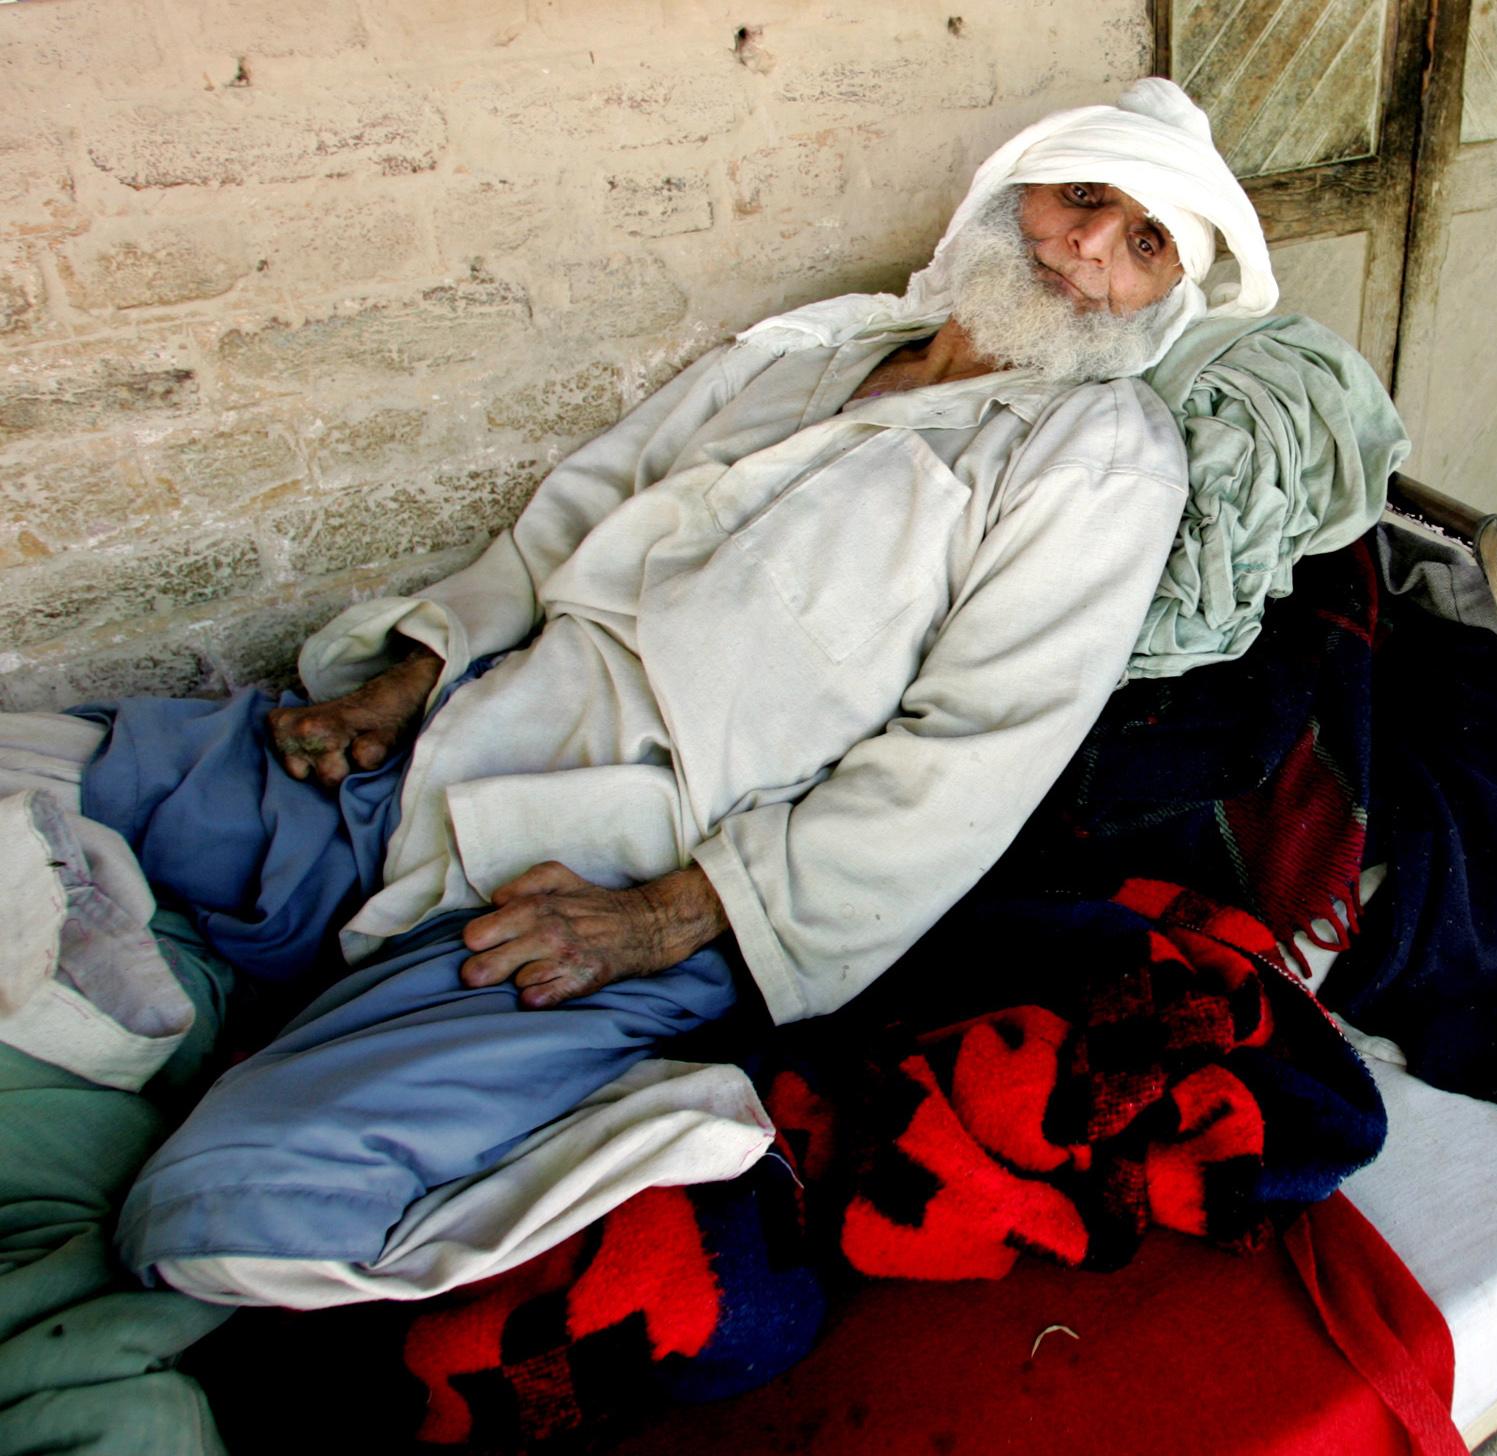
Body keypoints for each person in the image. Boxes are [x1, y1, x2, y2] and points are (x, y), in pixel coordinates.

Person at [40, 79, 1290, 1296]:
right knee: (37, 766)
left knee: (210, 1221)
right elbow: (572, 514)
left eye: (1142, 242)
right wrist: (404, 681)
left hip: (605, 884)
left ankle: (657, 1117)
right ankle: (191, 1002)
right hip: (441, 758)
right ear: (1007, 194)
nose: (1085, 250)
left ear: (1163, 296)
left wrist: (658, 919)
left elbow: (968, 763)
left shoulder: (1098, 460)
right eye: (1078, 196)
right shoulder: (820, 350)